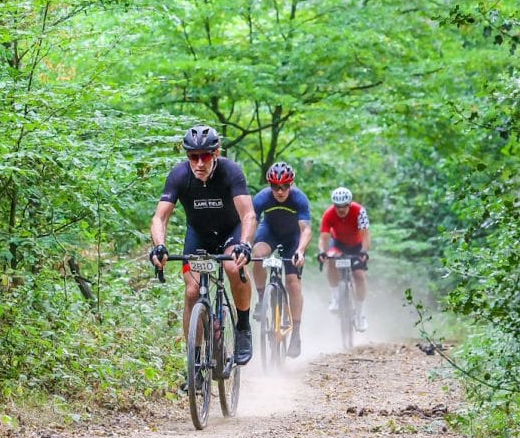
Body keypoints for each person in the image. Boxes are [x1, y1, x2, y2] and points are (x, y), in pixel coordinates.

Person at [149, 124, 256, 366]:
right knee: (192, 292)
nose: (199, 163)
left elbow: (248, 214)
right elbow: (160, 217)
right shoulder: (179, 175)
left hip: (231, 232)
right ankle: (195, 363)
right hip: (198, 236)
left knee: (232, 268)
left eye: (205, 156)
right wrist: (159, 246)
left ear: (216, 153)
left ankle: (243, 327)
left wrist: (245, 244)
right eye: (193, 157)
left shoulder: (231, 171)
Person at [251, 162, 312, 358]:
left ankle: (295, 333)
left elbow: (306, 229)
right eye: (275, 186)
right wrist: (245, 243)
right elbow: (250, 222)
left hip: (292, 239)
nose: (280, 191)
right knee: (257, 255)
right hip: (269, 232)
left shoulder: (299, 199)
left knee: (293, 283)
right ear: (270, 186)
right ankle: (262, 298)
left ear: (291, 184)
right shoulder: (261, 198)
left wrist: (300, 251)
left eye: (285, 186)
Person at [317, 186, 370, 332]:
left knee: (359, 276)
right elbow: (324, 238)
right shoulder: (328, 214)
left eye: (344, 206)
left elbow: (365, 235)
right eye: (337, 206)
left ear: (350, 203)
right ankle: (335, 298)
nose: (341, 209)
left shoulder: (359, 211)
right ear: (334, 205)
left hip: (356, 245)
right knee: (331, 260)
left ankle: (360, 314)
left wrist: (364, 251)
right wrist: (322, 252)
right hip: (338, 244)